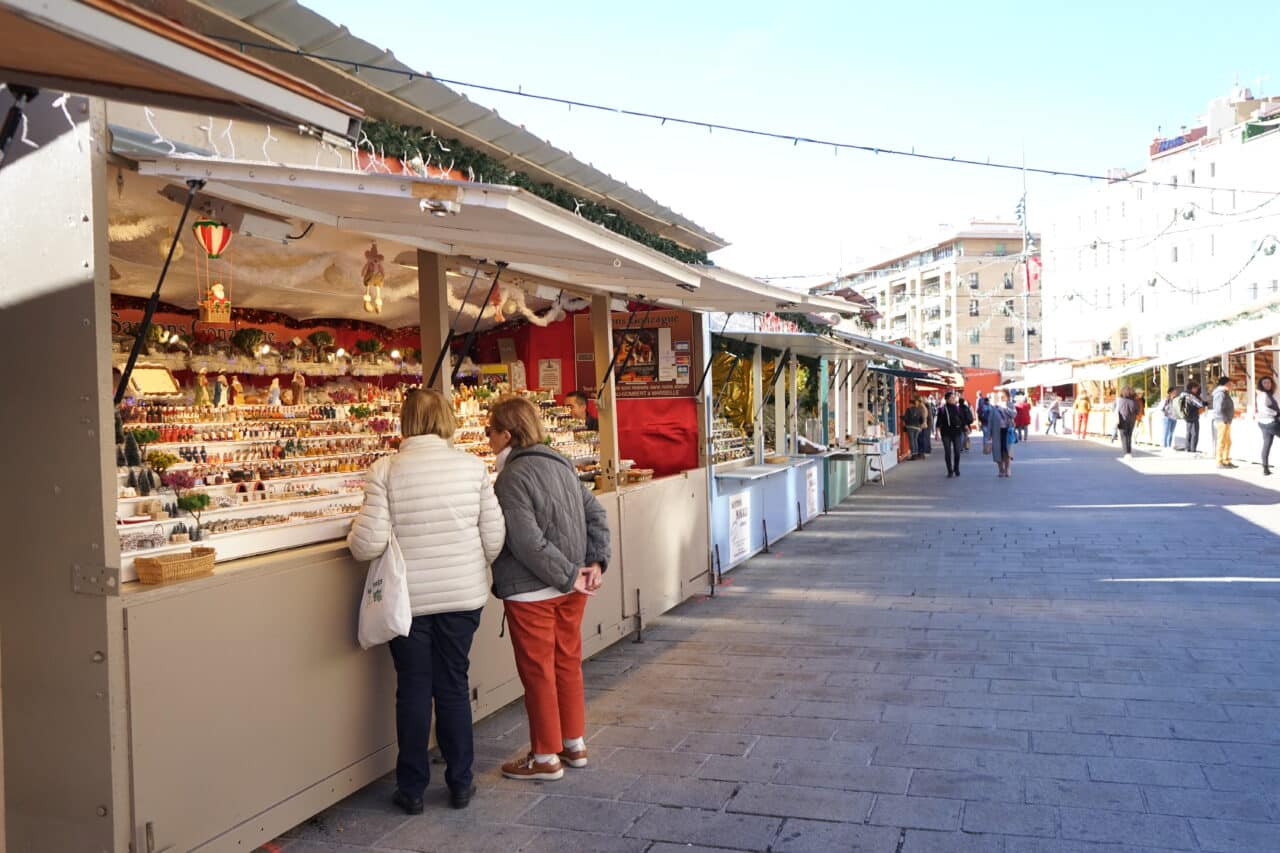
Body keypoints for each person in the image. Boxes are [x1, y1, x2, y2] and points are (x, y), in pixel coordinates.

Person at [347, 389, 505, 814]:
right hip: (462, 597)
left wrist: (352, 531)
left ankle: (412, 788)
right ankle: (460, 783)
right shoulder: (472, 467)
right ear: (446, 419)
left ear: (405, 421)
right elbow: (494, 536)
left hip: (409, 602)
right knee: (453, 684)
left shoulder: (385, 470)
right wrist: (470, 565)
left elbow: (367, 545)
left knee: (413, 689)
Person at [488, 396, 611, 782]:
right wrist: (595, 562)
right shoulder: (562, 463)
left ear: (507, 434)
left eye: (490, 432)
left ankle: (544, 757)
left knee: (538, 671)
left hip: (533, 590)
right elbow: (596, 513)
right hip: (570, 585)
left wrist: (567, 574)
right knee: (567, 663)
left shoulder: (510, 478)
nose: (487, 438)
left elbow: (526, 541)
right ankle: (573, 743)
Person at [936, 391, 967, 478]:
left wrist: (965, 427)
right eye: (951, 398)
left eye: (954, 398)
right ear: (947, 399)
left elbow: (962, 419)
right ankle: (949, 470)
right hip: (946, 433)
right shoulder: (942, 409)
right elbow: (939, 422)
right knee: (948, 452)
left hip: (956, 432)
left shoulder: (957, 408)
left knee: (957, 452)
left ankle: (956, 468)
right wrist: (937, 433)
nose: (953, 399)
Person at [988, 392, 1017, 478]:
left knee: (1007, 450)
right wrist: (989, 433)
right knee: (998, 451)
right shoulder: (994, 407)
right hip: (997, 432)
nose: (1001, 398)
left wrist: (1006, 408)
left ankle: (1008, 468)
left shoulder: (1010, 405)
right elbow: (990, 420)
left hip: (1007, 431)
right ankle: (1001, 469)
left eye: (1003, 397)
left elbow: (1014, 414)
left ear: (1007, 397)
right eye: (1000, 397)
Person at [1210, 376, 1236, 469]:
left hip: (1226, 420)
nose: (1231, 385)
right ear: (1226, 384)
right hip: (1222, 420)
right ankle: (1219, 461)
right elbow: (1218, 408)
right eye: (1230, 384)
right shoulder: (1220, 393)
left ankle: (1226, 460)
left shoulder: (1224, 393)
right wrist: (1224, 418)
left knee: (1228, 441)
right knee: (1222, 441)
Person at [1257, 376, 1279, 476]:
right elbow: (1263, 409)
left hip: (1264, 422)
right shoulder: (1263, 395)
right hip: (1270, 422)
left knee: (1267, 444)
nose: (1267, 384)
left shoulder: (1269, 394)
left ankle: (1265, 468)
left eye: (1269, 382)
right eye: (1265, 383)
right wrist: (1276, 413)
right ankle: (1265, 468)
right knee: (1267, 444)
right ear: (1261, 384)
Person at [1178, 380, 1206, 454]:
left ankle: (1187, 448)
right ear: (1192, 388)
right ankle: (1193, 449)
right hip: (1193, 415)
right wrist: (1205, 403)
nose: (1197, 390)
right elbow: (1199, 404)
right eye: (1196, 388)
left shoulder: (1182, 394)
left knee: (1188, 432)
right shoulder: (1190, 395)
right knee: (1195, 433)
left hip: (1186, 415)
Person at [1114, 386, 1140, 458]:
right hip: (1132, 420)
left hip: (1122, 419)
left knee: (1124, 436)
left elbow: (1114, 408)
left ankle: (1126, 453)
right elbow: (1137, 411)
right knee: (1129, 435)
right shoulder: (1135, 401)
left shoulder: (1119, 400)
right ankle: (1129, 451)